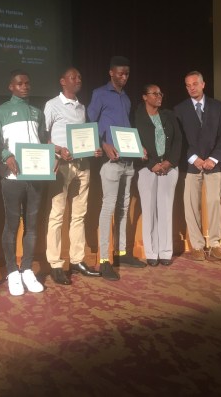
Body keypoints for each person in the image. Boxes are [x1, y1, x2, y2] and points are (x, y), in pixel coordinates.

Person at [87, 56, 146, 281]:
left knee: (123, 207)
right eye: (120, 73)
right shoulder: (99, 93)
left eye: (127, 74)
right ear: (111, 72)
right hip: (110, 161)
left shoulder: (127, 98)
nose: (124, 77)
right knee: (108, 207)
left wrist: (138, 145)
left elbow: (126, 129)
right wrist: (103, 144)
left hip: (128, 160)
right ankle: (104, 260)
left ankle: (121, 253)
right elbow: (90, 122)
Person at [0, 69, 47, 296]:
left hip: (36, 177)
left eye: (27, 83)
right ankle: (13, 272)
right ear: (11, 87)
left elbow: (43, 141)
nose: (25, 86)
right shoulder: (0, 112)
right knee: (12, 224)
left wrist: (50, 158)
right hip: (12, 178)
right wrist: (7, 155)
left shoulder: (37, 112)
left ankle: (26, 269)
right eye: (19, 83)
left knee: (32, 226)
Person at [44, 67, 102, 285]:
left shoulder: (81, 106)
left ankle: (77, 260)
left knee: (79, 214)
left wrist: (93, 149)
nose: (78, 80)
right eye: (73, 77)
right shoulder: (52, 105)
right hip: (62, 166)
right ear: (62, 81)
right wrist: (59, 150)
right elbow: (44, 137)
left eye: (79, 77)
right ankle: (56, 264)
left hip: (82, 165)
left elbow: (83, 137)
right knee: (57, 215)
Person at [174, 71, 221, 261]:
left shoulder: (219, 107)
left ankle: (215, 244)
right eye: (188, 85)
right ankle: (197, 246)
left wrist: (213, 158)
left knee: (214, 202)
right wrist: (193, 158)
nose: (192, 88)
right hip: (191, 165)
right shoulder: (179, 110)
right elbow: (179, 140)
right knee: (191, 205)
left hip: (213, 164)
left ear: (203, 84)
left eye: (195, 84)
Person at [135, 85, 182, 266]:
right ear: (145, 97)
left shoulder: (169, 115)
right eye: (154, 94)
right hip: (147, 169)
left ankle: (165, 252)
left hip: (169, 168)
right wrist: (151, 164)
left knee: (165, 210)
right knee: (149, 211)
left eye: (161, 93)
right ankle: (151, 252)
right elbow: (135, 142)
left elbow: (178, 140)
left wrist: (169, 162)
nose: (159, 96)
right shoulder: (137, 117)